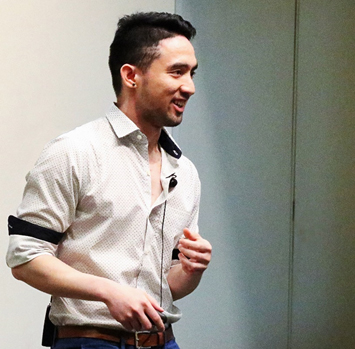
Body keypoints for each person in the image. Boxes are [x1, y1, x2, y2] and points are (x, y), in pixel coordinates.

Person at [6, 11, 212, 349]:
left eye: (191, 73)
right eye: (176, 72)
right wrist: (108, 290)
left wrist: (192, 270)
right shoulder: (74, 152)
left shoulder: (185, 171)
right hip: (89, 342)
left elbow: (170, 286)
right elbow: (25, 257)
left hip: (163, 341)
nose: (189, 87)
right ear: (131, 76)